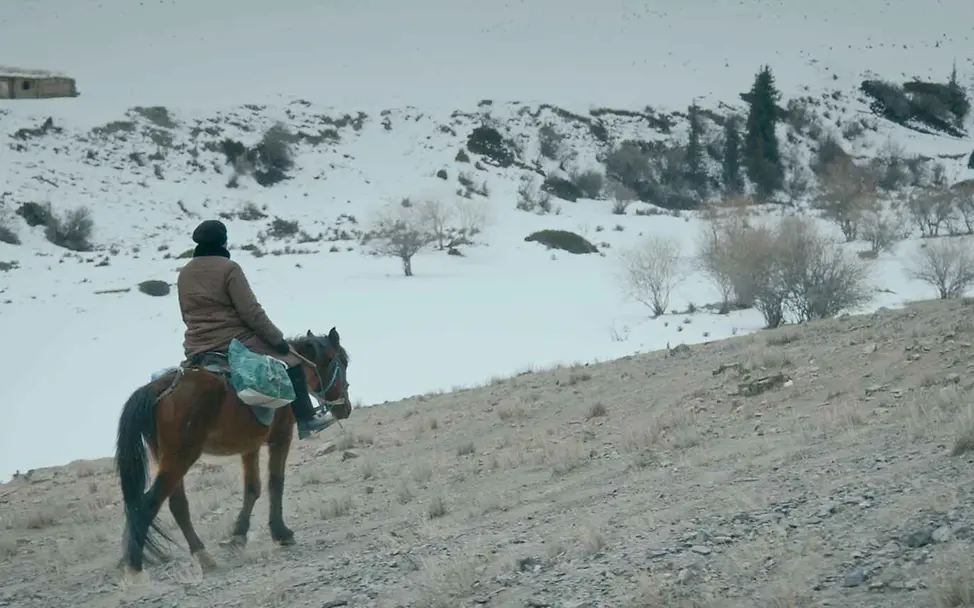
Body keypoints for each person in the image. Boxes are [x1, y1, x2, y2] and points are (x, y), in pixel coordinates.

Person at [176, 219, 331, 439]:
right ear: (223, 242)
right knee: (293, 363)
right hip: (234, 341)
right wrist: (277, 340)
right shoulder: (229, 268)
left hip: (196, 345)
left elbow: (185, 313)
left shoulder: (185, 273)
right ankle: (307, 419)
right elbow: (251, 312)